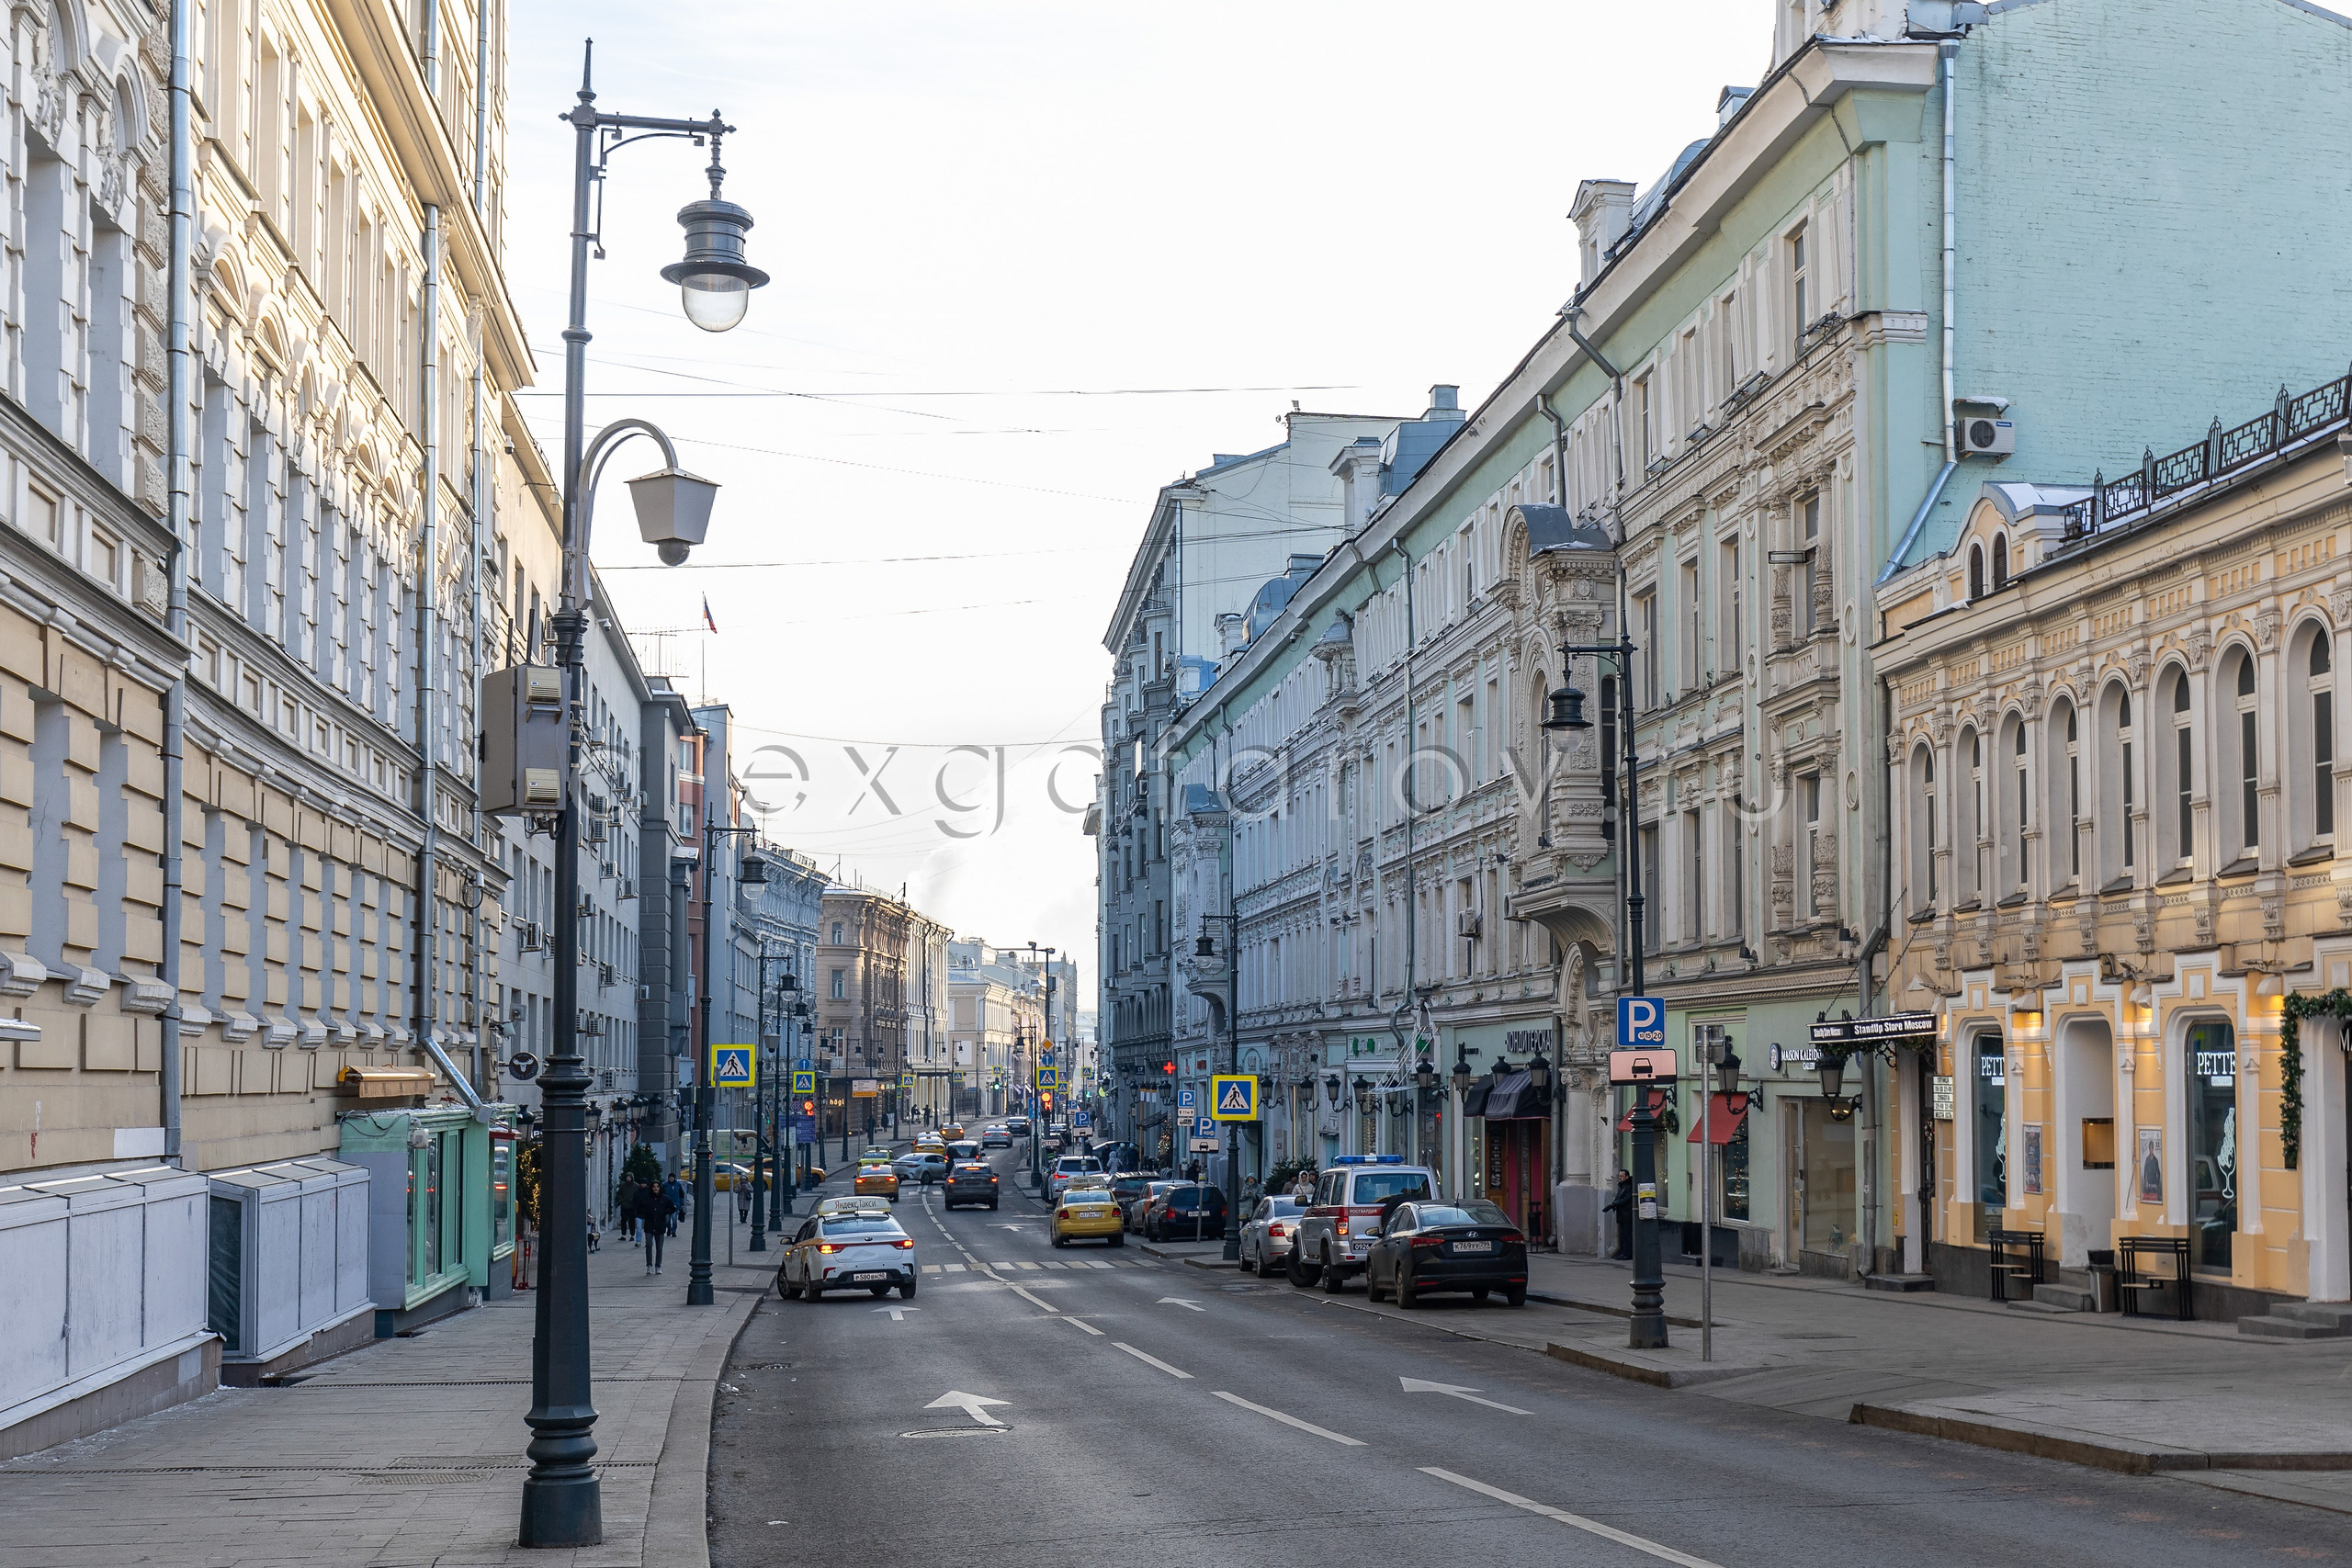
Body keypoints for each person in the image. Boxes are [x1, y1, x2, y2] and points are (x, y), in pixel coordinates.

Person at [635, 1181, 672, 1274]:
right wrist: (645, 1214)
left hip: (660, 1225)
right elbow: (639, 1208)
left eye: (657, 1187)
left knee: (659, 1247)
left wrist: (664, 1212)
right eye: (654, 1187)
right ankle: (649, 1265)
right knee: (649, 1245)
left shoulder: (664, 1199)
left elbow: (672, 1208)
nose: (656, 1188)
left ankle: (658, 1265)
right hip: (649, 1225)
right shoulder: (647, 1199)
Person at [1607, 1168, 1634, 1261]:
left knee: (1627, 1235)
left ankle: (1628, 1253)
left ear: (1627, 1176)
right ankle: (1623, 1252)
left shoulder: (1629, 1186)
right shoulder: (1621, 1185)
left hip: (1627, 1214)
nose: (1620, 1178)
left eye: (1622, 1176)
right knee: (1622, 1236)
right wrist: (1614, 1203)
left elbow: (1626, 1199)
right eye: (1619, 1176)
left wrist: (1615, 1204)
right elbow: (1619, 1197)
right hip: (1622, 1214)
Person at [662, 1172, 688, 1237]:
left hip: (675, 1205)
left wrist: (681, 1203)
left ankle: (673, 1231)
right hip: (667, 1206)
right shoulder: (665, 1185)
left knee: (674, 1219)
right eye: (670, 1177)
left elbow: (681, 1195)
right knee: (667, 1220)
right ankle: (669, 1228)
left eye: (672, 1177)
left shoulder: (678, 1185)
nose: (671, 1178)